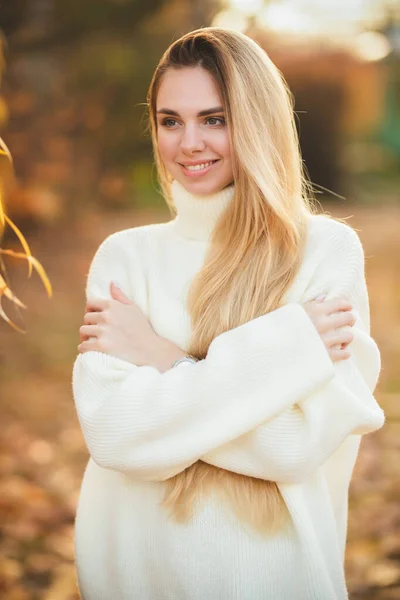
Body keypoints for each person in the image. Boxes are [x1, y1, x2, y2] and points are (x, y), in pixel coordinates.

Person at [72, 27, 385, 600]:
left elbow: (294, 447)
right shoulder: (125, 257)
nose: (189, 142)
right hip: (138, 579)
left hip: (274, 580)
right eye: (171, 120)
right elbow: (116, 435)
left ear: (258, 122)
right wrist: (286, 352)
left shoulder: (323, 253)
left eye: (214, 119)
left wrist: (162, 360)